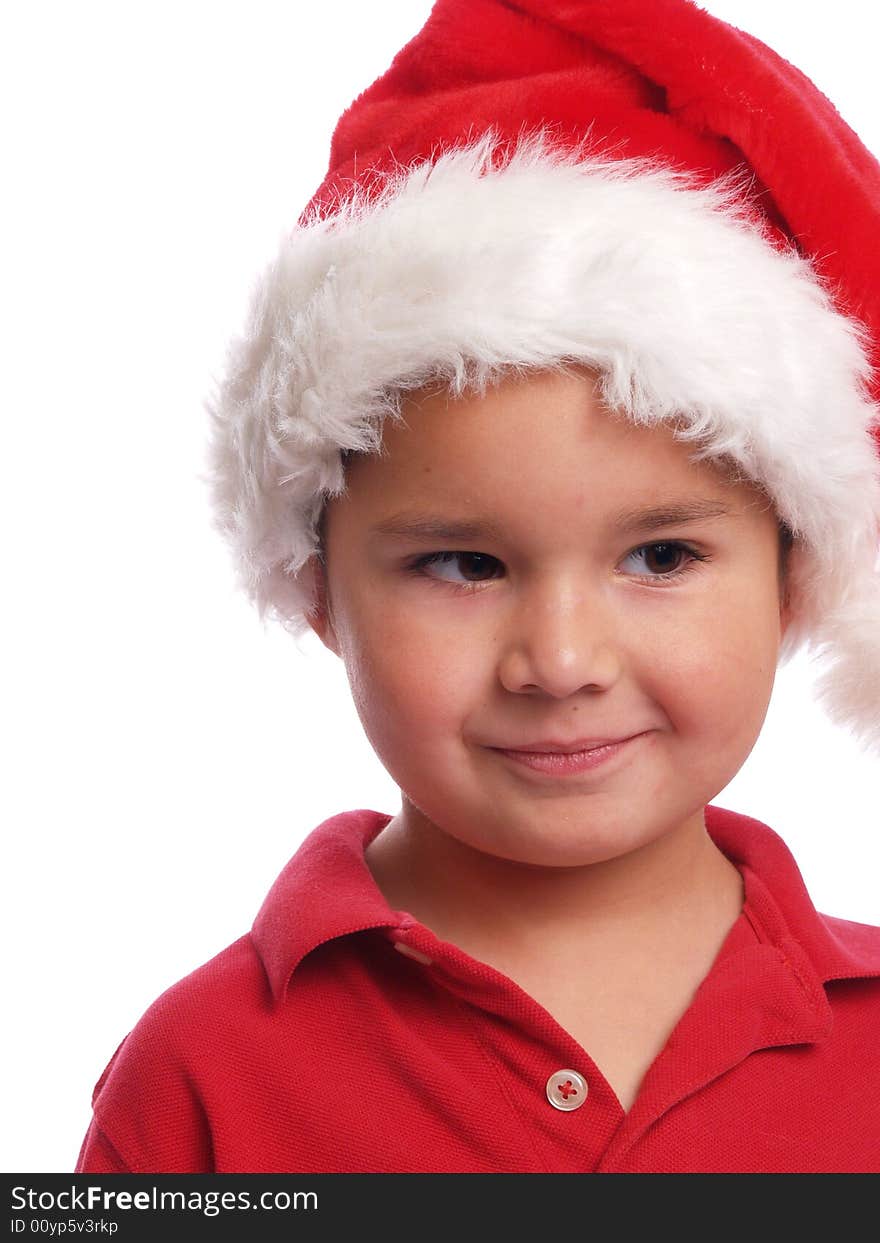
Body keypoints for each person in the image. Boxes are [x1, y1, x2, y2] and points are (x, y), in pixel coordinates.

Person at [75, 0, 880, 1173]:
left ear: (797, 573)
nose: (560, 661)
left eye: (660, 556)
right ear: (314, 585)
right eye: (463, 563)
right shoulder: (199, 1074)